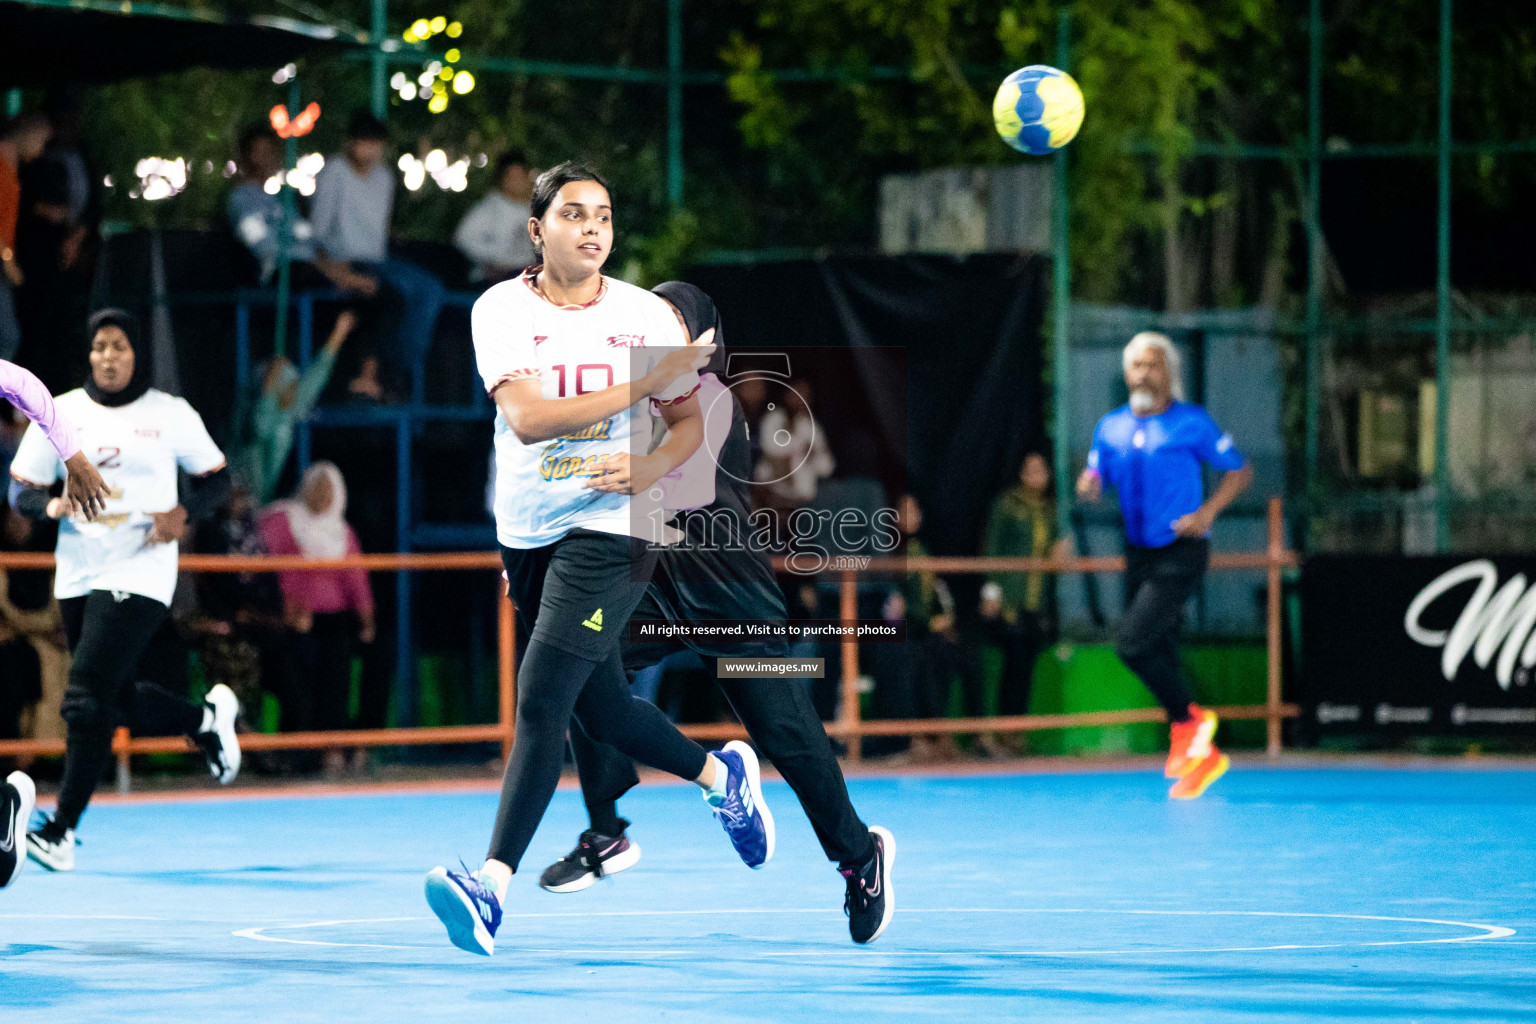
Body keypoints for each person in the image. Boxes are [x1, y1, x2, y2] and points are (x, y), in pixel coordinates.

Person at [424, 162, 769, 957]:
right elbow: (532, 418)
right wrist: (642, 382)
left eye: (604, 217)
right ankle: (723, 781)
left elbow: (689, 427)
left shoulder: (648, 314)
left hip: (616, 526)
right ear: (536, 230)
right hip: (529, 532)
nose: (591, 228)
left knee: (542, 699)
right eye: (572, 214)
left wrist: (648, 466)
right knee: (601, 708)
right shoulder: (499, 310)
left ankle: (491, 888)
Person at [540, 280, 896, 945]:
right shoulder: (629, 396)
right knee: (579, 663)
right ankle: (608, 831)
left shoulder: (713, 399)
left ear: (704, 338)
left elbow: (679, 478)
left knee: (790, 737)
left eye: (674, 322)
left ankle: (858, 856)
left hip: (729, 595)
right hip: (654, 585)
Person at [8, 309, 242, 871]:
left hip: (142, 567)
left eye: (119, 345)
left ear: (138, 354)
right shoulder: (62, 411)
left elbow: (220, 481)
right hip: (79, 568)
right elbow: (21, 494)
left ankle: (60, 831)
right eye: (98, 347)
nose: (108, 356)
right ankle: (204, 721)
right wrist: (55, 505)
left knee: (84, 695)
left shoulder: (170, 414)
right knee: (107, 699)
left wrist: (181, 514)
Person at [1076, 331, 1253, 800]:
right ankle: (1202, 755)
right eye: (1137, 365)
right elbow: (1098, 472)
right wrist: (1090, 482)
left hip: (1181, 550)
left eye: (1154, 364)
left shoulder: (1191, 423)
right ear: (1126, 374)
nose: (1144, 373)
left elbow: (1239, 469)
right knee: (1162, 646)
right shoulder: (1110, 427)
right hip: (1138, 552)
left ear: (1169, 372)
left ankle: (1190, 720)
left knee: (1131, 644)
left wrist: (1207, 513)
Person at [310, 111, 444, 402]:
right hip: (344, 258)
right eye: (362, 142)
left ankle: (400, 369)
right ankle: (389, 374)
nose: (367, 149)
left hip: (377, 259)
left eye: (373, 143)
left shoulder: (384, 178)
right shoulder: (334, 172)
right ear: (350, 143)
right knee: (403, 292)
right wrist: (332, 267)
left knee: (431, 289)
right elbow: (318, 229)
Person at [258, 461, 374, 776]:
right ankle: (296, 752)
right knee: (298, 677)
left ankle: (330, 749)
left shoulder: (342, 533)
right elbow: (260, 569)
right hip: (286, 621)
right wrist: (284, 609)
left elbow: (357, 582)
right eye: (316, 487)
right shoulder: (279, 520)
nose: (321, 495)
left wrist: (367, 621)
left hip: (332, 621)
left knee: (339, 671)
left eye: (328, 489)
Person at [975, 451, 1065, 753]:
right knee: (1010, 666)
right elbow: (993, 547)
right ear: (1021, 474)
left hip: (1036, 599)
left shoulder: (1050, 510)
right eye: (1030, 470)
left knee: (1025, 667)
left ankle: (1017, 733)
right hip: (1010, 597)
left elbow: (1054, 552)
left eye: (1041, 470)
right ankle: (1001, 732)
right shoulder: (1007, 505)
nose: (1036, 476)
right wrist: (991, 593)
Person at [230, 309, 356, 503]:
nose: (294, 387)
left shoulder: (287, 407)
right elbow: (258, 427)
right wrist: (268, 393)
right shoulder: (257, 404)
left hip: (257, 502)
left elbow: (316, 375)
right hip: (230, 490)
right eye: (287, 382)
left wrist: (339, 333)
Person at [0, 114, 53, 363]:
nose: (41, 151)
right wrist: (8, 260)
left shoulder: (11, 169)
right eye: (41, 142)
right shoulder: (2, 167)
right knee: (9, 337)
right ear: (27, 134)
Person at [453, 150, 537, 283]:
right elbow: (463, 238)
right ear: (502, 180)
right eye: (513, 178)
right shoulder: (490, 208)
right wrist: (495, 260)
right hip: (495, 279)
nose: (518, 182)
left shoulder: (535, 209)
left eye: (521, 177)